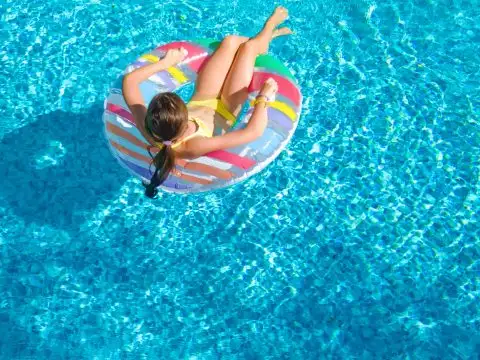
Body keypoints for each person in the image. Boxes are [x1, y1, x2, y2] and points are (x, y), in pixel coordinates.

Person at [122, 6, 292, 198]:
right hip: (227, 107)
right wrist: (263, 98)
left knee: (229, 41)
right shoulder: (192, 146)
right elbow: (253, 132)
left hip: (203, 96)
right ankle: (268, 31)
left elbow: (129, 81)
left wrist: (165, 63)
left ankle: (263, 42)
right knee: (249, 48)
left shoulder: (150, 129)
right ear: (183, 119)